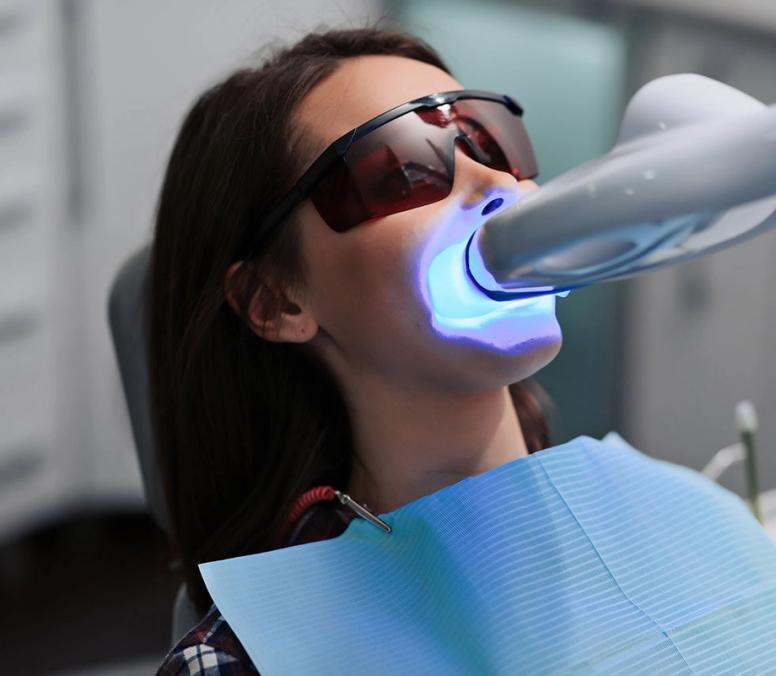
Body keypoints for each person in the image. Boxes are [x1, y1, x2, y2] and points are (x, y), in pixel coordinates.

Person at [152, 25, 560, 675]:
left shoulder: (657, 510)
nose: (494, 182)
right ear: (275, 301)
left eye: (491, 140)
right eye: (402, 167)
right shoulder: (245, 661)